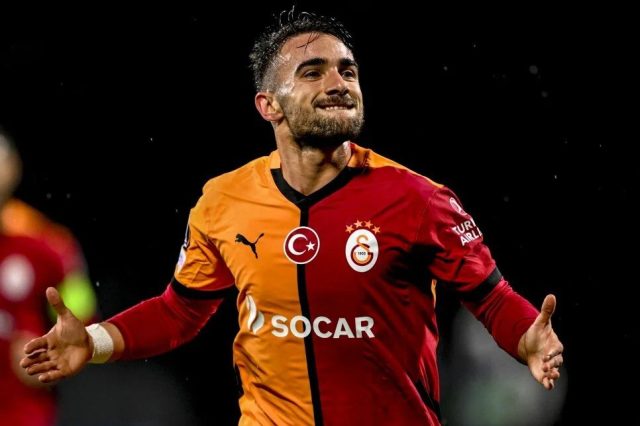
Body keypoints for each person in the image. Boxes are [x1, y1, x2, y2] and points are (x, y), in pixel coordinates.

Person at [21, 9, 563, 425]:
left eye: (348, 71)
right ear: (269, 106)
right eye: (313, 72)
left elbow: (490, 297)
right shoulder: (223, 201)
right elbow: (180, 311)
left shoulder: (419, 199)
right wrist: (94, 341)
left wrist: (527, 338)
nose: (339, 83)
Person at [1, 127, 98, 426]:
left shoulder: (48, 243)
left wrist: (57, 350)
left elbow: (82, 317)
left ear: (12, 167)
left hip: (22, 413)